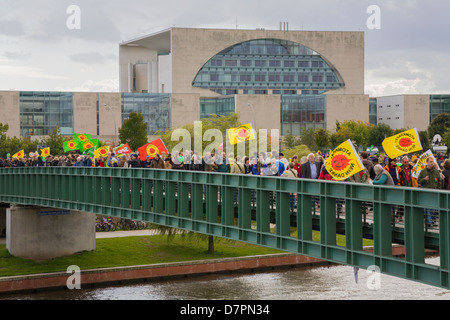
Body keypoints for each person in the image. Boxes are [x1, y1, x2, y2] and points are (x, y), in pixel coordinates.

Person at [418, 157, 443, 227]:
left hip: (434, 192)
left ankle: (433, 221)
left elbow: (439, 182)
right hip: (426, 193)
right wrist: (424, 179)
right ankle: (429, 223)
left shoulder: (436, 171)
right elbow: (419, 182)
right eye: (430, 161)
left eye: (432, 162)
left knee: (433, 209)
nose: (431, 163)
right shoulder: (423, 171)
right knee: (427, 208)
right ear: (427, 162)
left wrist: (438, 189)